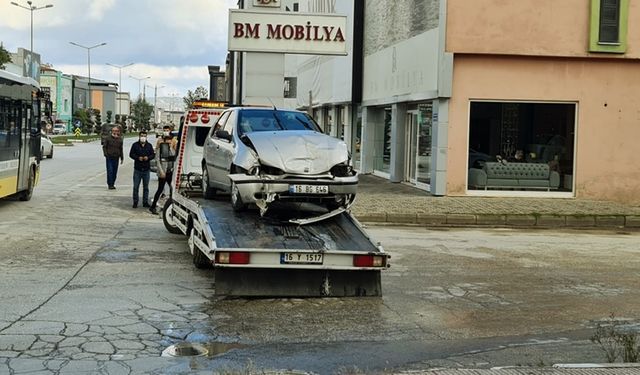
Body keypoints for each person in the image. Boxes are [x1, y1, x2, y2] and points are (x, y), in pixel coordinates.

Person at [149, 129, 177, 215]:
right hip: (163, 173)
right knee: (160, 189)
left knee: (172, 189)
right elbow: (157, 161)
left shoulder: (171, 149)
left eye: (170, 141)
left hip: (169, 172)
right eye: (167, 141)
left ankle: (172, 205)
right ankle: (153, 207)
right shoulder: (160, 149)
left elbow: (173, 159)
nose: (169, 142)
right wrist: (161, 172)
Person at [129, 131, 155, 208]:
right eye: (141, 136)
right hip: (137, 169)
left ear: (146, 137)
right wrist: (137, 158)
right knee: (136, 187)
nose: (143, 137)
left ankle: (145, 202)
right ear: (139, 136)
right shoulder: (135, 145)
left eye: (144, 136)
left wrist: (148, 157)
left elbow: (152, 155)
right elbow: (131, 154)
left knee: (146, 187)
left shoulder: (149, 145)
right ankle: (135, 202)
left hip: (146, 169)